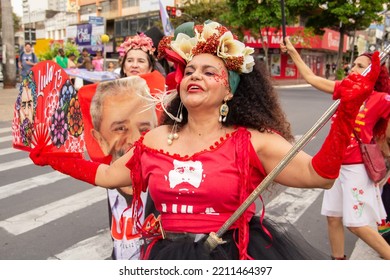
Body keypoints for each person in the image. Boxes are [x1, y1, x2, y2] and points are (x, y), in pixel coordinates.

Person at [30, 21, 381, 260]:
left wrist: (347, 114)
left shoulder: (253, 141)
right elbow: (107, 176)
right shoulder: (155, 138)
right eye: (191, 71)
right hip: (164, 258)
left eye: (210, 72)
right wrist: (51, 156)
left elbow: (319, 175)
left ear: (229, 91)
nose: (195, 76)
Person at [281, 36, 390, 259]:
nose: (353, 68)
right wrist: (292, 51)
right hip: (335, 167)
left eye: (360, 66)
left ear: (374, 72)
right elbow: (311, 78)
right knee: (333, 217)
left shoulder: (381, 99)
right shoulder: (345, 89)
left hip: (357, 168)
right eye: (354, 64)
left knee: (356, 224)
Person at [88, 76, 158, 260]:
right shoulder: (110, 182)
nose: (135, 141)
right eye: (120, 128)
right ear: (100, 140)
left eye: (144, 130)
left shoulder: (167, 186)